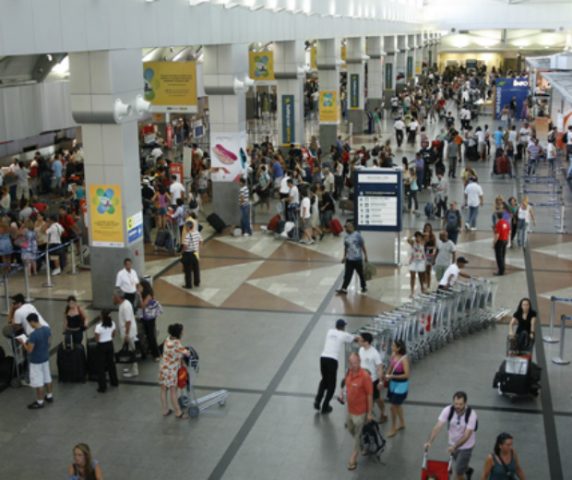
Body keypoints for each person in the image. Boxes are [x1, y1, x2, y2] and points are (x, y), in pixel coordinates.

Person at [424, 391, 477, 480]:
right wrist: (429, 441)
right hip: (452, 444)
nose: (458, 406)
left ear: (465, 403)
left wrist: (455, 446)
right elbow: (438, 426)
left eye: (461, 404)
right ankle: (468, 470)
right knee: (461, 464)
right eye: (456, 404)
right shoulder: (448, 410)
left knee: (458, 472)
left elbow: (467, 435)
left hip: (466, 446)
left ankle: (463, 471)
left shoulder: (471, 415)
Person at [314, 318, 357, 414]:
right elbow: (356, 339)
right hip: (332, 360)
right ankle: (325, 406)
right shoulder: (344, 334)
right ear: (343, 327)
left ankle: (317, 400)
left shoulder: (330, 331)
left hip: (323, 358)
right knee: (332, 385)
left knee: (324, 380)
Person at [344, 352, 374, 471]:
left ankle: (354, 456)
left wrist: (370, 413)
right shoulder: (349, 372)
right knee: (351, 429)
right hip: (350, 410)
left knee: (357, 434)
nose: (354, 365)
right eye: (351, 363)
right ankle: (362, 445)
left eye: (356, 362)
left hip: (361, 412)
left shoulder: (365, 376)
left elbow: (370, 395)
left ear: (360, 361)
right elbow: (346, 385)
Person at [18, 313, 53, 409]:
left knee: (39, 382)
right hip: (45, 358)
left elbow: (29, 350)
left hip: (36, 361)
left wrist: (23, 343)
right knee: (47, 378)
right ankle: (49, 396)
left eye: (30, 323)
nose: (30, 325)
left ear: (32, 321)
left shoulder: (33, 335)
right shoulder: (47, 329)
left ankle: (40, 402)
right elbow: (49, 343)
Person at [159, 323, 190, 419]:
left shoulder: (167, 339)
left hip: (163, 368)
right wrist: (187, 352)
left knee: (163, 390)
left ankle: (165, 410)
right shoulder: (176, 343)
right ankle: (178, 412)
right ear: (178, 333)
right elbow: (187, 353)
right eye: (182, 331)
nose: (183, 332)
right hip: (171, 371)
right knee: (173, 391)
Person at [358, 332, 387, 423]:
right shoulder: (361, 350)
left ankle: (383, 413)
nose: (359, 341)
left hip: (372, 381)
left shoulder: (374, 353)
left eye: (361, 340)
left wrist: (381, 381)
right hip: (362, 379)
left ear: (366, 342)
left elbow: (379, 368)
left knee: (377, 399)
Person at [335, 221, 368, 295]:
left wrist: (366, 256)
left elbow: (362, 246)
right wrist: (344, 257)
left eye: (347, 227)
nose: (346, 229)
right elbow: (346, 247)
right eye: (346, 227)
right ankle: (344, 288)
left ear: (352, 227)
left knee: (360, 274)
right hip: (349, 260)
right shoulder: (346, 237)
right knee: (347, 274)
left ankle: (363, 286)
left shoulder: (357, 235)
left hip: (358, 259)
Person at [386, 339, 410, 438]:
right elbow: (391, 367)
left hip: (401, 385)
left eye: (393, 346)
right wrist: (387, 375)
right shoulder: (393, 355)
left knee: (393, 407)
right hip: (393, 384)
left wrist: (392, 377)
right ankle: (402, 422)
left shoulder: (404, 359)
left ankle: (393, 427)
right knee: (397, 405)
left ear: (398, 348)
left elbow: (406, 375)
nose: (392, 347)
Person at [113, 288, 138, 378]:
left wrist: (127, 334)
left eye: (114, 297)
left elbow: (128, 321)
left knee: (132, 351)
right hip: (126, 332)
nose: (113, 298)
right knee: (128, 350)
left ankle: (134, 370)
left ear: (118, 297)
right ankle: (130, 366)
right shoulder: (122, 304)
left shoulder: (125, 306)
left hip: (129, 333)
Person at [94, 310, 118, 393]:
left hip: (101, 346)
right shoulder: (113, 324)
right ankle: (114, 381)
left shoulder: (98, 326)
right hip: (110, 344)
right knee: (111, 363)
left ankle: (102, 386)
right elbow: (113, 334)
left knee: (101, 366)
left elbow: (97, 338)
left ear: (102, 316)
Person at [139, 279, 162, 361]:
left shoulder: (148, 295)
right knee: (147, 335)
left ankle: (156, 354)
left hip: (150, 318)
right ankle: (150, 351)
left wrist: (139, 295)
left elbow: (142, 305)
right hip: (145, 317)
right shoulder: (143, 294)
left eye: (140, 286)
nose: (139, 288)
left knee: (151, 336)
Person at [180, 217, 202, 289]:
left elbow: (185, 246)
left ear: (188, 227)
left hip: (188, 254)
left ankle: (188, 284)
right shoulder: (197, 233)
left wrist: (182, 252)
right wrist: (196, 246)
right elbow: (201, 241)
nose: (185, 228)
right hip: (195, 253)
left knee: (188, 270)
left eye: (186, 227)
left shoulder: (188, 235)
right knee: (196, 268)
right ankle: (197, 282)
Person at [408, 231, 426, 297]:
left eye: (419, 236)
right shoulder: (413, 243)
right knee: (412, 276)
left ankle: (422, 288)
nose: (418, 238)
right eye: (417, 236)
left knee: (421, 276)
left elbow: (426, 236)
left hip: (421, 261)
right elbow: (408, 239)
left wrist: (422, 235)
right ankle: (412, 291)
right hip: (413, 261)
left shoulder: (423, 242)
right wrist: (413, 235)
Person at [493, 212, 510, 276]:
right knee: (503, 256)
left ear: (497, 217)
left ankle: (500, 271)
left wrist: (494, 243)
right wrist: (507, 240)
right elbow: (509, 231)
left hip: (499, 241)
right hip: (505, 240)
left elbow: (497, 234)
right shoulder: (506, 223)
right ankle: (503, 269)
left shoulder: (498, 224)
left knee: (499, 257)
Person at [424, 223, 437, 290]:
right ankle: (424, 283)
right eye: (426, 228)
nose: (427, 229)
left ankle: (428, 284)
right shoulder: (423, 235)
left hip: (429, 254)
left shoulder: (433, 236)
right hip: (423, 254)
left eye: (429, 228)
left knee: (428, 270)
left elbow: (435, 246)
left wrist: (434, 254)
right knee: (424, 270)